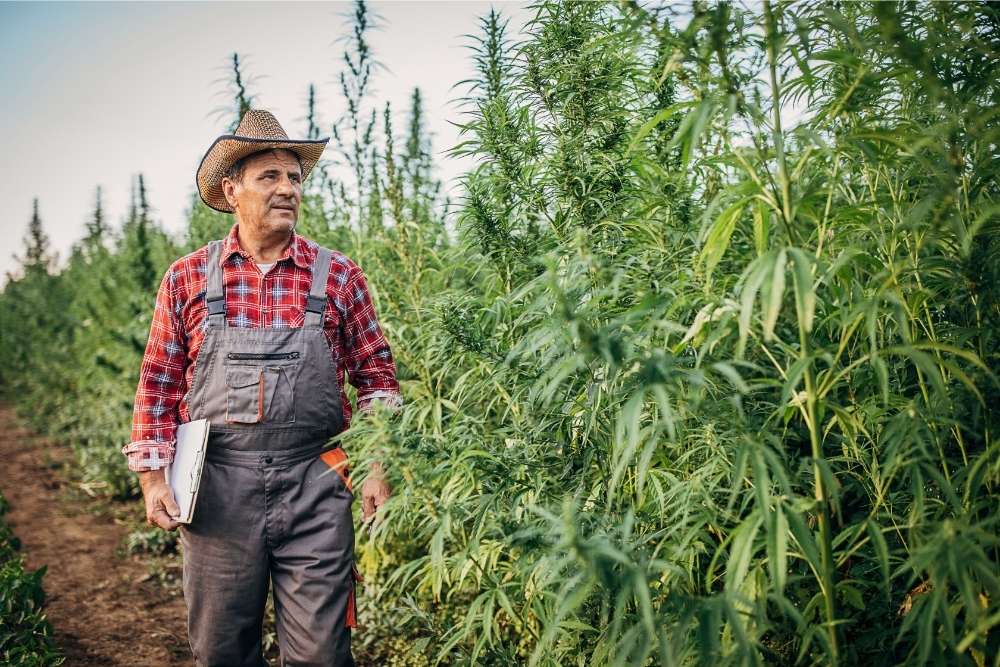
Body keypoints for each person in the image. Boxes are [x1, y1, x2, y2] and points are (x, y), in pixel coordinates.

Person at [121, 108, 402, 667]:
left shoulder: (339, 276)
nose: (287, 189)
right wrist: (154, 479)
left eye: (295, 178)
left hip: (316, 484)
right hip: (219, 490)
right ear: (232, 190)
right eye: (269, 177)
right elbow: (157, 382)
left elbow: (376, 378)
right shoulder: (187, 279)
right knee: (222, 649)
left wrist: (376, 465)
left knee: (322, 654)